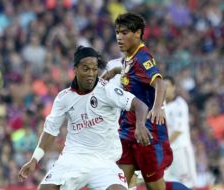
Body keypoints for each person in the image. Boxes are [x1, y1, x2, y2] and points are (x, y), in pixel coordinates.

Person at [18, 46, 153, 190]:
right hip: (73, 158)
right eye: (86, 69)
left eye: (94, 69)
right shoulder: (64, 98)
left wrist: (140, 125)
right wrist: (34, 160)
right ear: (75, 69)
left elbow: (140, 105)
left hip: (104, 161)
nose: (91, 74)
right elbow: (51, 131)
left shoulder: (107, 90)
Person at [103, 13, 191, 190]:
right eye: (118, 32)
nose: (119, 37)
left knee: (156, 188)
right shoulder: (129, 57)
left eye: (125, 32)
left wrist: (157, 108)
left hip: (146, 134)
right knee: (119, 185)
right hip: (127, 132)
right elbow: (132, 73)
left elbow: (159, 83)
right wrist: (116, 71)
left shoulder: (143, 57)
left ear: (138, 33)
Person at [163, 76, 197, 188]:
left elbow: (178, 130)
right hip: (166, 152)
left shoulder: (180, 104)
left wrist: (164, 145)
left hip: (180, 150)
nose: (164, 89)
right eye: (162, 86)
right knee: (165, 183)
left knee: (187, 184)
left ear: (174, 87)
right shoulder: (159, 106)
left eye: (167, 86)